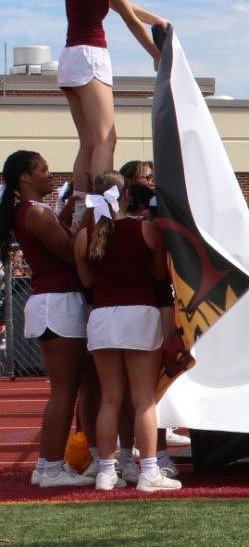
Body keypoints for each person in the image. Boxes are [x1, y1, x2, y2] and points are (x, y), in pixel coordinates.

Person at [72, 171, 180, 491]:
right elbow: (160, 275)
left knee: (110, 399)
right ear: (127, 197)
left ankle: (106, 472)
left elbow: (88, 283)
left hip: (103, 316)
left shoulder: (85, 235)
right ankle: (148, 471)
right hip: (139, 314)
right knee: (144, 399)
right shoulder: (146, 230)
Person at [61, 0, 168, 222]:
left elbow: (125, 6)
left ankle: (83, 208)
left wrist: (155, 19)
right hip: (90, 57)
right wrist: (155, 53)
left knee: (89, 142)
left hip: (71, 58)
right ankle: (103, 210)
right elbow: (128, 18)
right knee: (107, 139)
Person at [1, 151, 95, 488]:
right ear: (24, 177)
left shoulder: (37, 212)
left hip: (56, 300)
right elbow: (70, 253)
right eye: (42, 169)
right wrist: (87, 217)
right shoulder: (36, 213)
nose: (48, 173)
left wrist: (71, 211)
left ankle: (49, 464)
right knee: (64, 391)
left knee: (72, 389)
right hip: (57, 301)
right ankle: (51, 466)